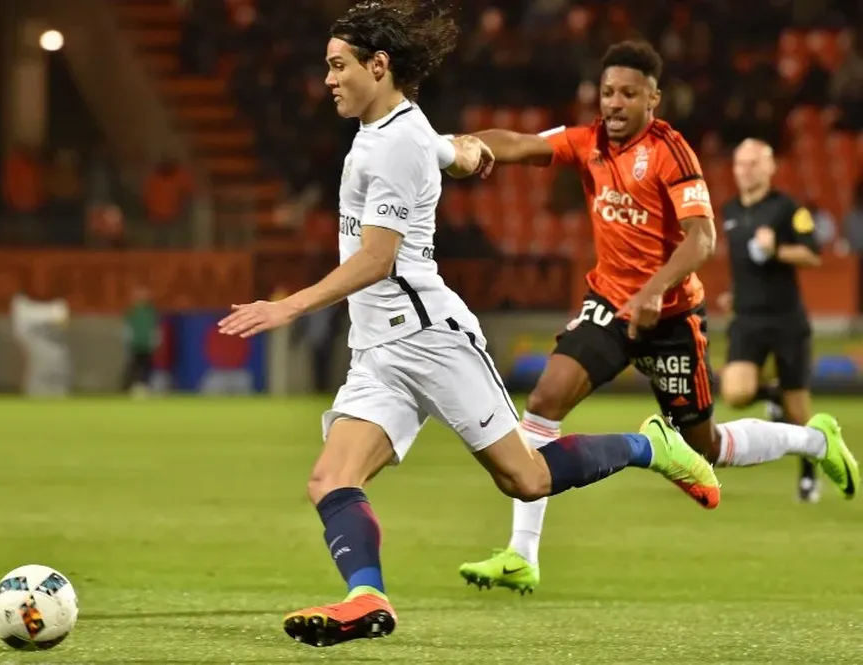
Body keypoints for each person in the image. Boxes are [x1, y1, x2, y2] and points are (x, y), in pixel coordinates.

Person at [219, 4, 721, 648]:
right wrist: (467, 153)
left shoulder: (395, 143)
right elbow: (455, 153)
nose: (329, 80)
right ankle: (367, 598)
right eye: (327, 67)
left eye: (339, 66)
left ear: (380, 67)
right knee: (329, 479)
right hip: (377, 347)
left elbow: (377, 259)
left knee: (527, 476)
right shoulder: (395, 131)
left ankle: (651, 447)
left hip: (429, 338)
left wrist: (289, 305)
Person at [458, 40, 858, 595]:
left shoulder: (672, 152)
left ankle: (816, 440)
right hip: (609, 306)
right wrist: (461, 147)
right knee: (545, 402)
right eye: (607, 93)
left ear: (653, 99)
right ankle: (522, 555)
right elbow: (521, 145)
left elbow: (703, 239)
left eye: (628, 93)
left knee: (708, 446)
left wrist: (654, 290)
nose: (614, 103)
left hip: (671, 317)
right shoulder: (588, 141)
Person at [718, 139, 824, 502]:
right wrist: (735, 293)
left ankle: (809, 475)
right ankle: (772, 395)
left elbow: (813, 254)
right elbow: (742, 266)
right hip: (747, 319)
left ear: (769, 167)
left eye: (753, 163)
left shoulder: (788, 209)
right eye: (740, 164)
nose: (745, 170)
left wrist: (775, 249)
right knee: (735, 393)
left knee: (799, 410)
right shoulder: (729, 210)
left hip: (786, 321)